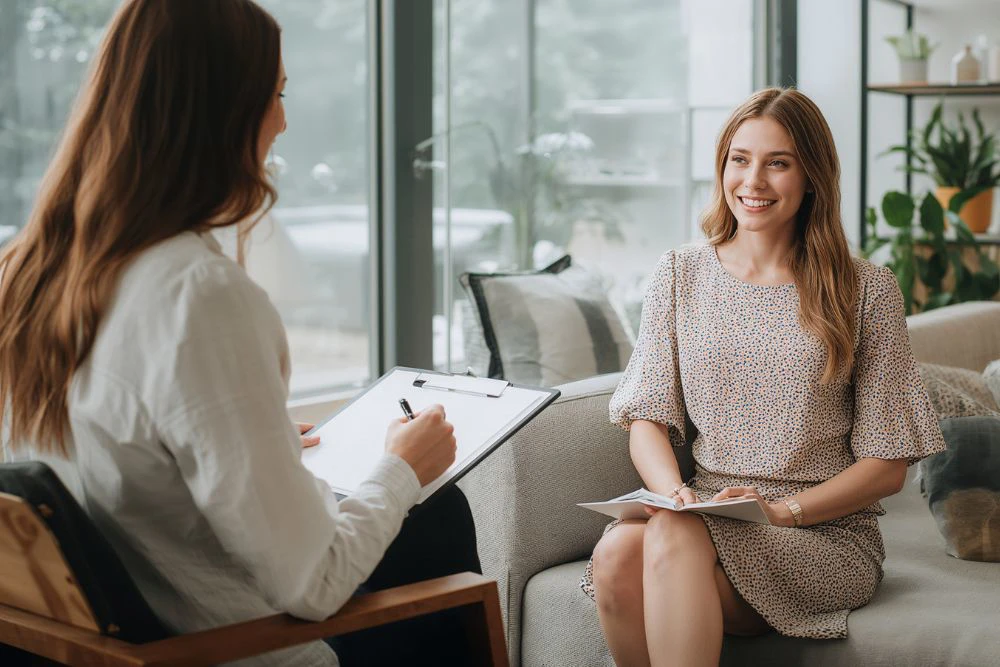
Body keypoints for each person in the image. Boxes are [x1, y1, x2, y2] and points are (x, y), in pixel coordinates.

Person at [0, 1, 479, 666]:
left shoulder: (27, 272)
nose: (282, 120)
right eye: (274, 94)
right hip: (224, 647)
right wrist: (403, 466)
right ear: (217, 112)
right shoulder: (197, 295)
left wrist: (256, 438)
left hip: (109, 633)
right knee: (439, 509)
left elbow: (119, 445)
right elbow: (312, 582)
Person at [580, 87, 946, 667]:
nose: (753, 181)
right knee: (621, 547)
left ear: (812, 177)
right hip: (704, 511)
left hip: (819, 534)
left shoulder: (865, 291)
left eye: (778, 163)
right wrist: (673, 492)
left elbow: (888, 466)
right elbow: (647, 414)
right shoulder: (680, 273)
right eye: (739, 159)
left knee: (668, 536)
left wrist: (780, 512)